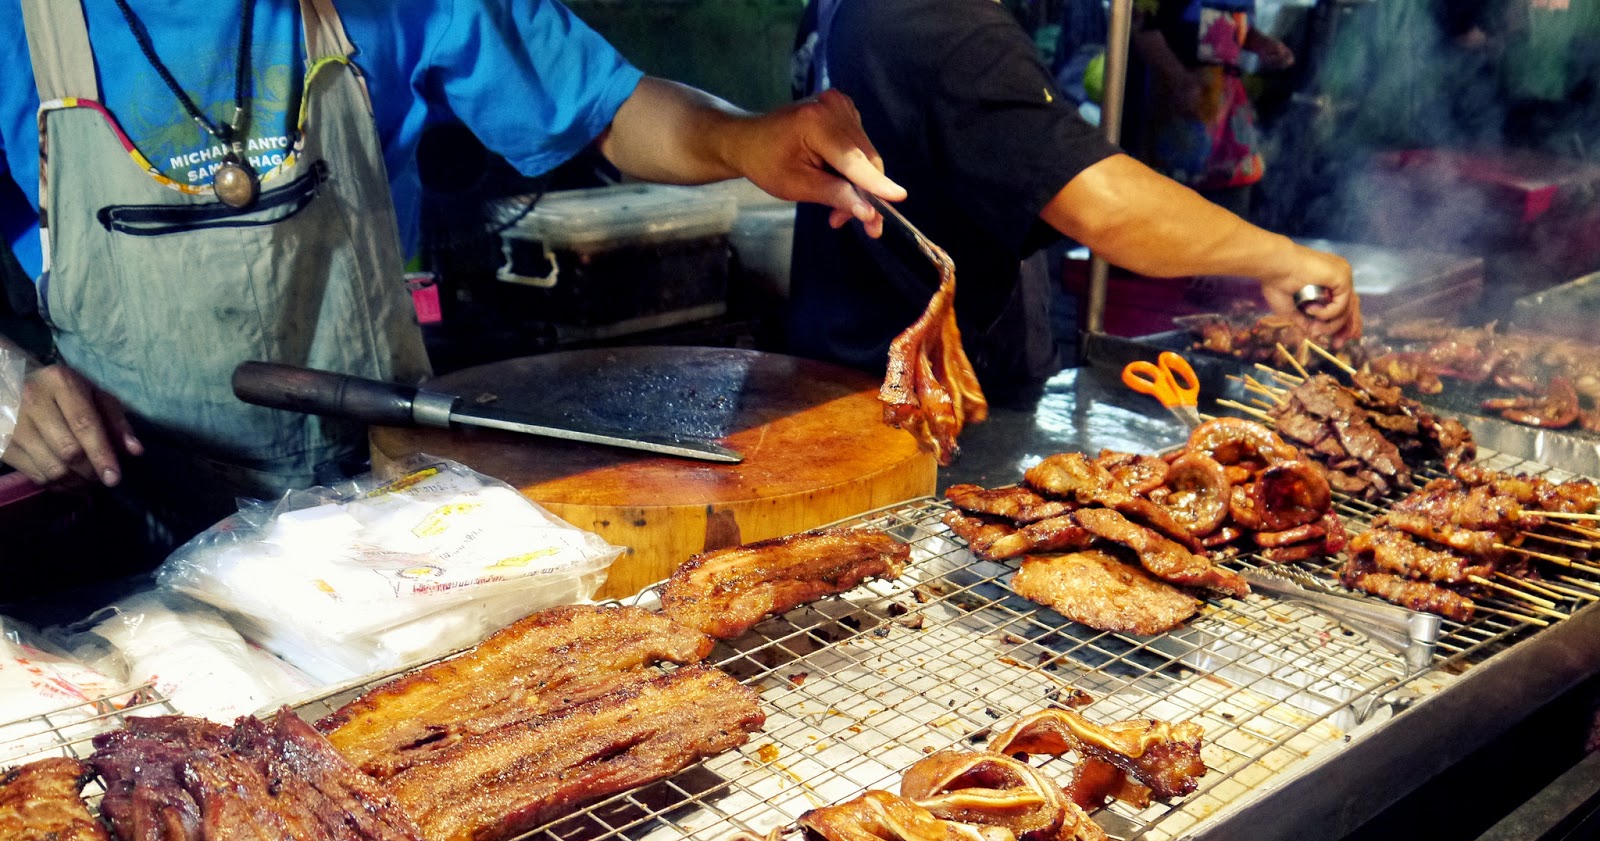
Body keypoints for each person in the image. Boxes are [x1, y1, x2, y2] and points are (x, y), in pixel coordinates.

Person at [0, 0, 903, 547]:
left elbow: (609, 105)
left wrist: (746, 140)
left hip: (383, 493)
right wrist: (11, 388)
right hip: (126, 510)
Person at [786, 0, 1355, 401]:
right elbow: (1102, 205)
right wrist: (1287, 259)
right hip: (918, 389)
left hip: (838, 354)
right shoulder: (942, 19)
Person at [1132, 0, 1294, 216]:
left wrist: (1263, 45)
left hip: (1227, 113)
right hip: (1176, 119)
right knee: (1174, 219)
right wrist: (1179, 79)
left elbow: (1233, 25)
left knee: (1230, 215)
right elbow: (1140, 27)